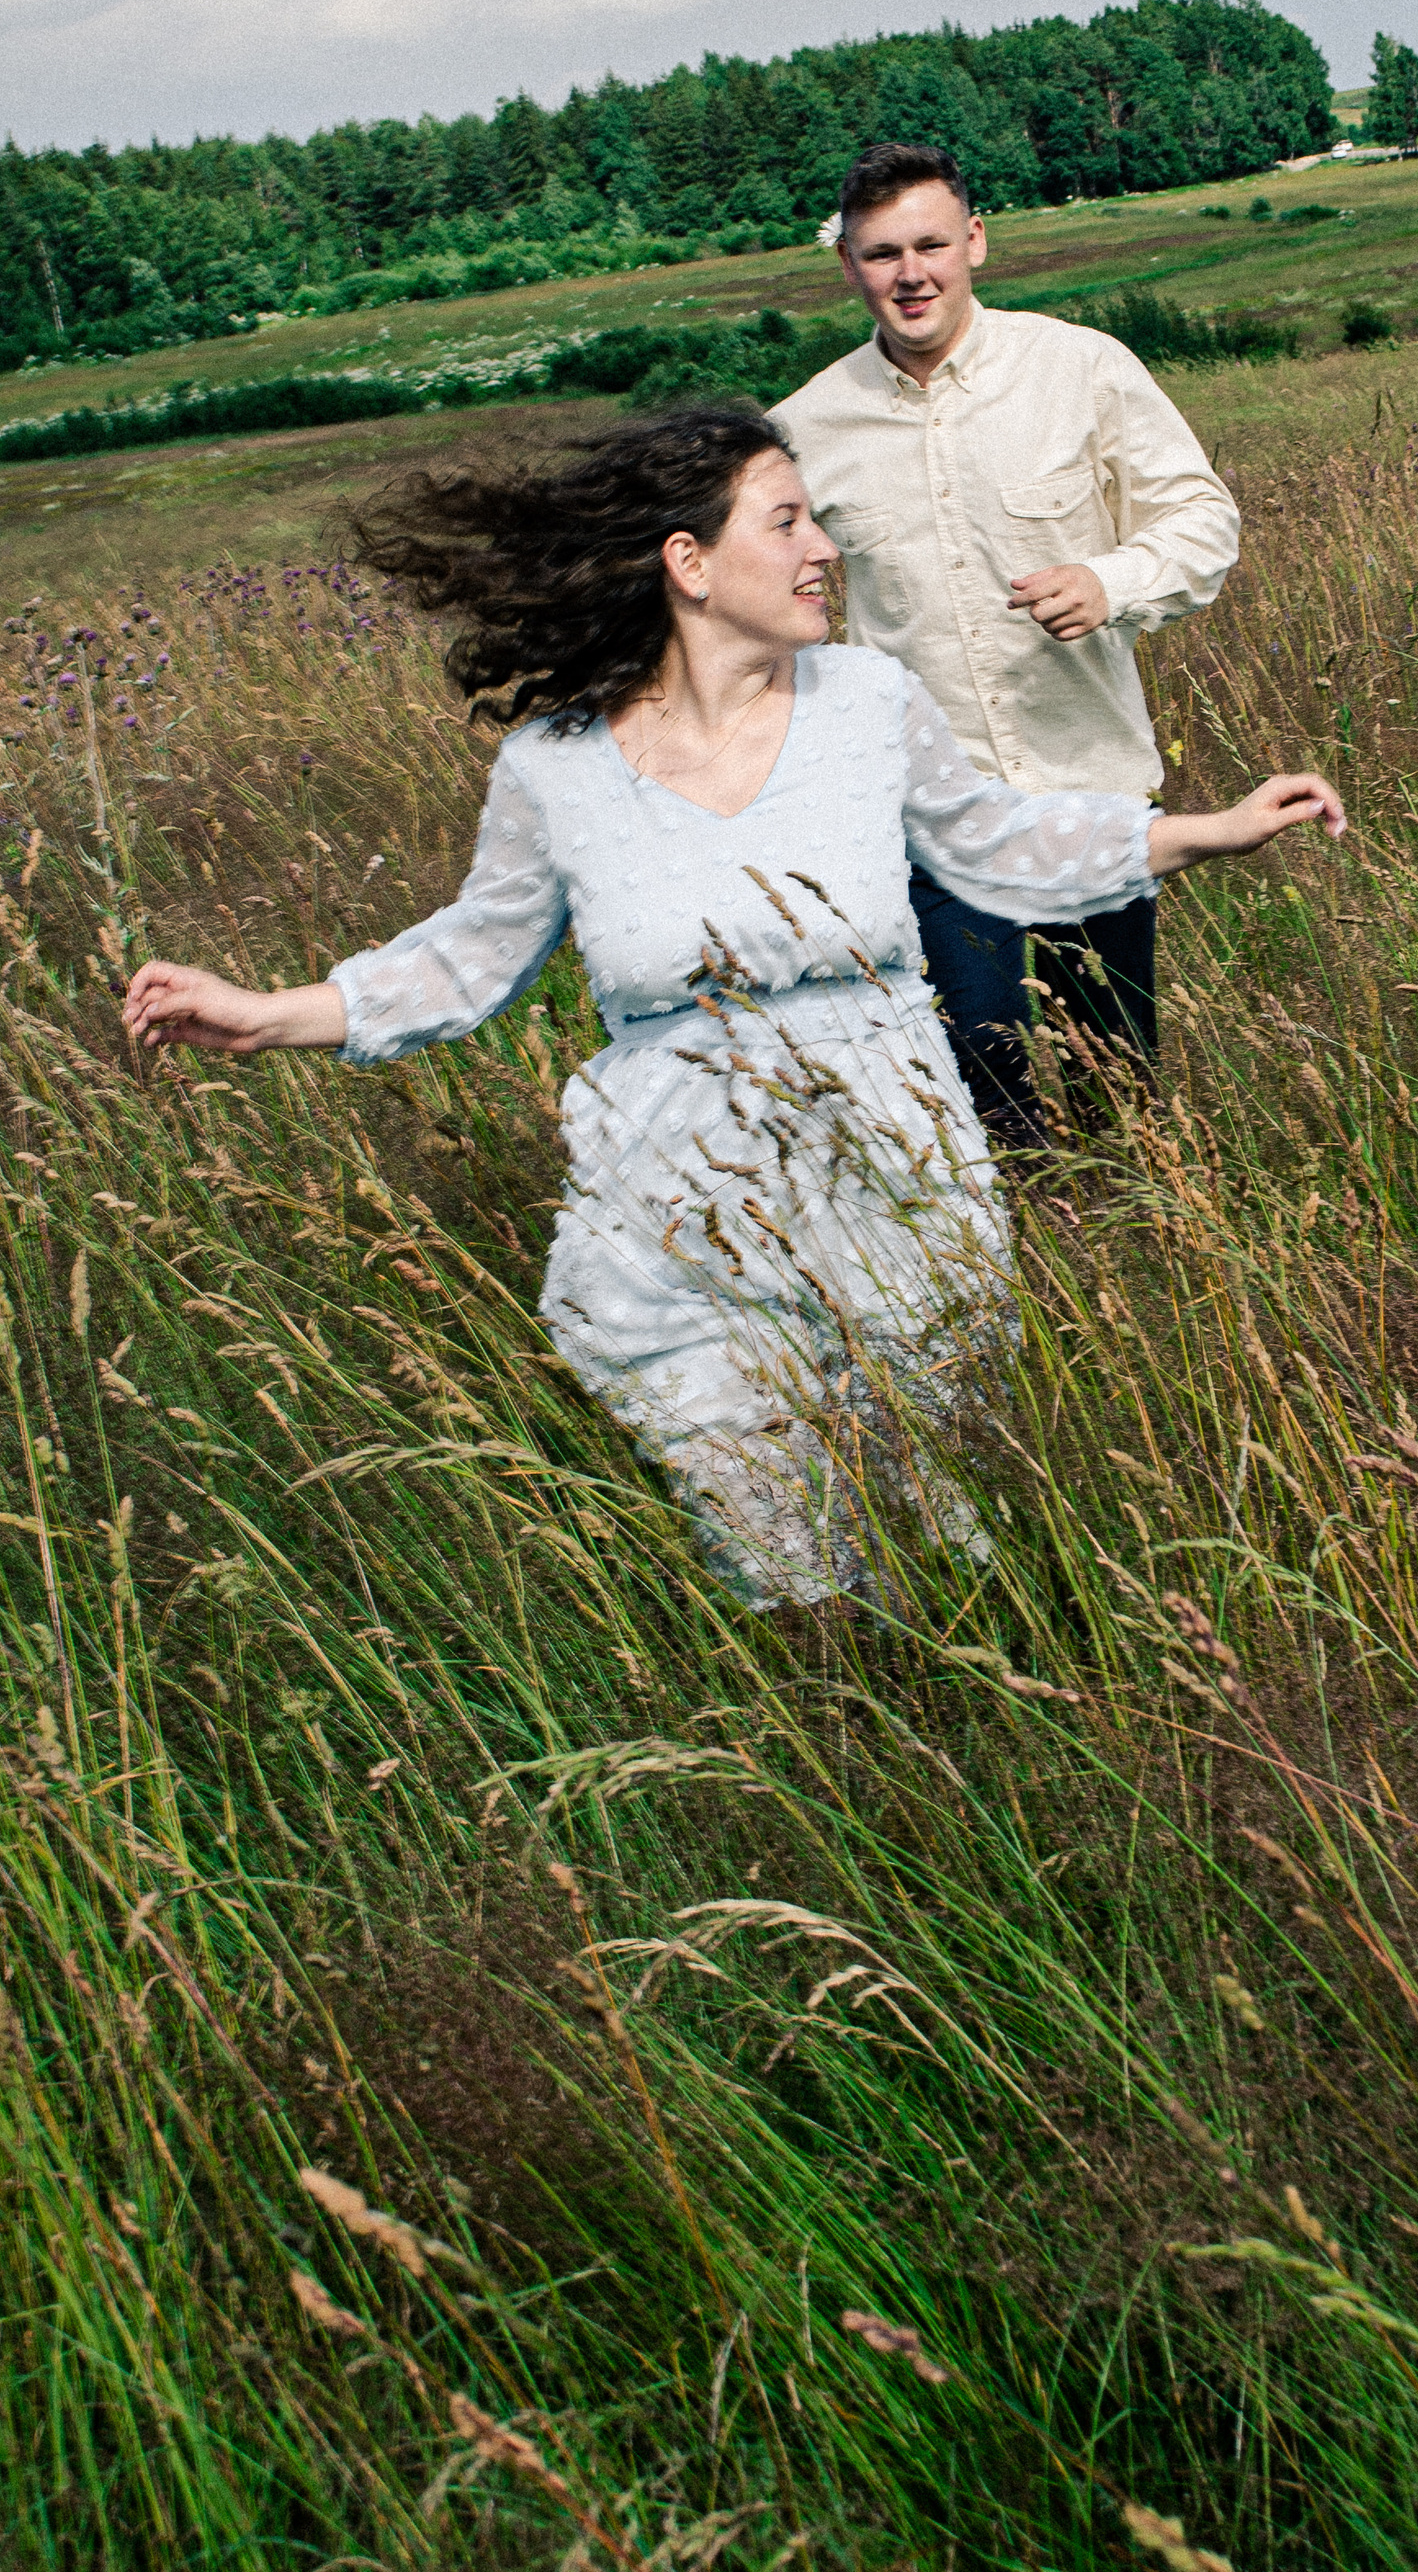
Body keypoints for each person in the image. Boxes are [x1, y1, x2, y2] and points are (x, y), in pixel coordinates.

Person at [121, 404, 1343, 1611]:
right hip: (677, 1182)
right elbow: (468, 955)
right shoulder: (556, 765)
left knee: (930, 1482)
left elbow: (996, 840)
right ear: (689, 562)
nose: (824, 548)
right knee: (761, 1501)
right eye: (788, 521)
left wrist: (1211, 828)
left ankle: (966, 1660)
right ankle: (828, 1674)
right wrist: (267, 1013)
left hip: (890, 1148)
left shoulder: (867, 699)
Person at [777, 141, 1240, 1149]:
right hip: (934, 810)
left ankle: (1134, 1217)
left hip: (1087, 788)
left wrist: (1110, 581)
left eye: (932, 245)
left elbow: (1202, 521)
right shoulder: (805, 428)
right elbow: (759, 602)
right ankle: (1019, 1221)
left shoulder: (1081, 369)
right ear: (848, 264)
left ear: (975, 241)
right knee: (981, 1068)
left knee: (1114, 1069)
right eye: (882, 253)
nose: (911, 274)